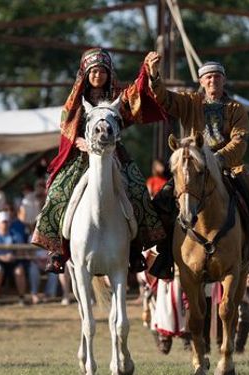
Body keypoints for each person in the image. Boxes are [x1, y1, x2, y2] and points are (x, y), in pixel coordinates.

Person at [32, 47, 166, 274]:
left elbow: (138, 94)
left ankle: (134, 249)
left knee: (137, 189)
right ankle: (58, 250)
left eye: (102, 71)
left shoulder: (118, 96)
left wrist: (148, 72)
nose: (98, 75)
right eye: (93, 71)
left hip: (114, 154)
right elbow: (66, 125)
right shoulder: (76, 99)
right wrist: (79, 142)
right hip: (82, 156)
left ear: (109, 73)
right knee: (58, 191)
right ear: (85, 73)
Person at [145, 52, 249, 279]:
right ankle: (166, 253)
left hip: (228, 166)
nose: (212, 81)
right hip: (193, 168)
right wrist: (154, 75)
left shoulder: (236, 108)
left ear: (223, 80)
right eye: (208, 77)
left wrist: (219, 159)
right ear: (201, 81)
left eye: (217, 77)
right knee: (161, 203)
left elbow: (240, 141)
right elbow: (163, 99)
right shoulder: (189, 102)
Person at [0, 211, 27, 305]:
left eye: (7, 222)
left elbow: (21, 250)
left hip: (13, 260)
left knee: (19, 271)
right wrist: (0, 257)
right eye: (3, 222)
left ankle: (21, 297)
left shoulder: (15, 235)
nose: (5, 224)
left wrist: (14, 256)